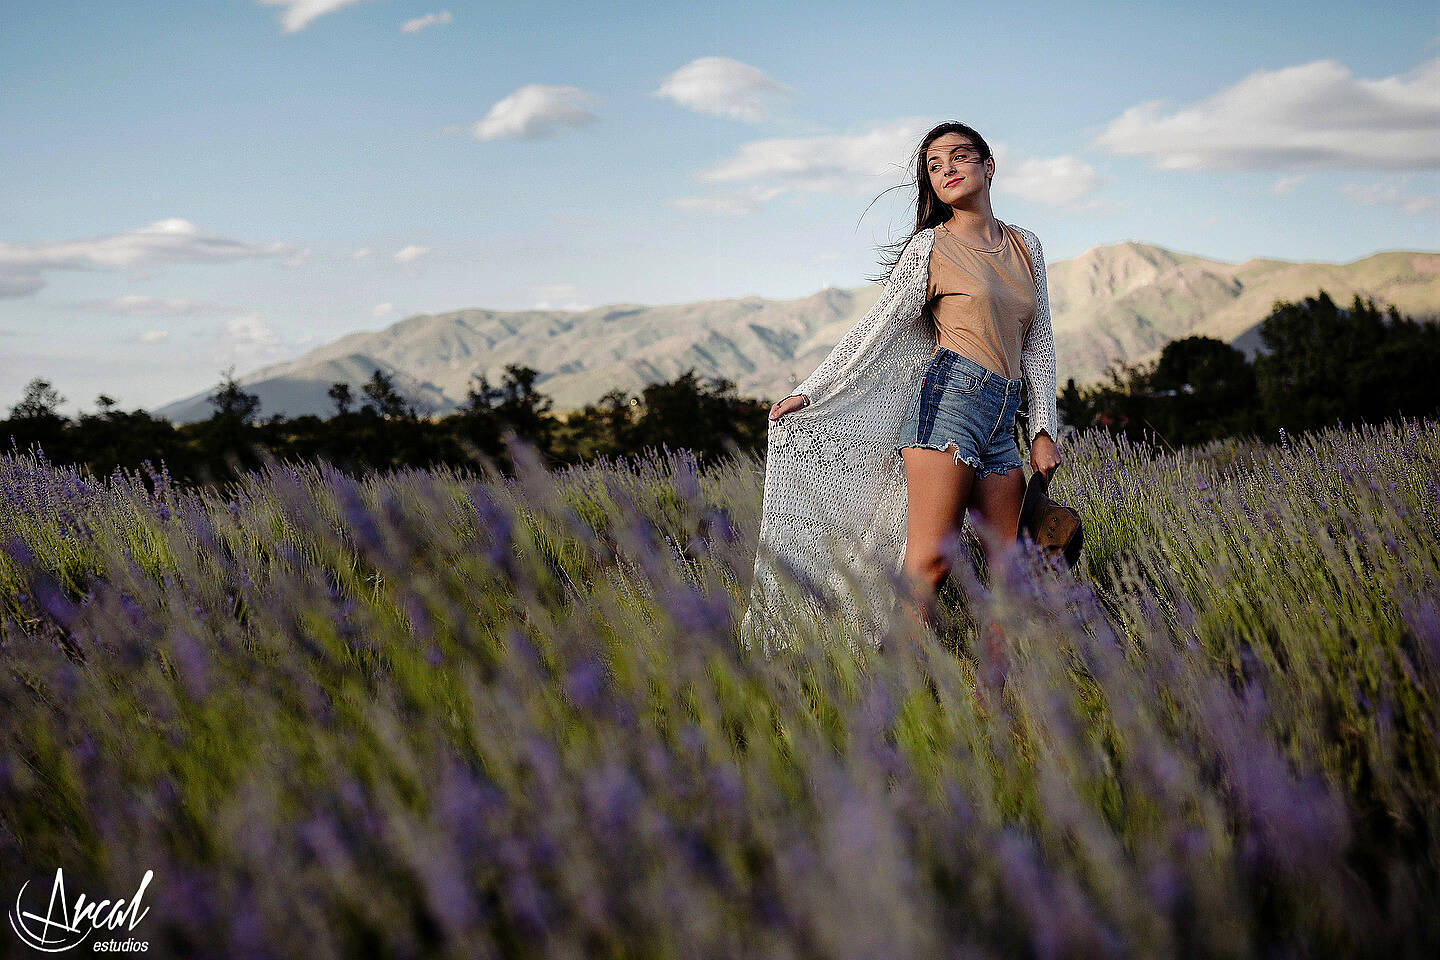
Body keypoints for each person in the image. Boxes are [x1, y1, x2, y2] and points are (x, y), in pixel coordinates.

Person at [740, 121, 1061, 651]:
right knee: (930, 563)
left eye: (959, 157)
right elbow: (878, 326)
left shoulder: (1028, 246)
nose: (947, 170)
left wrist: (1043, 429)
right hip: (948, 405)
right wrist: (814, 391)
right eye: (934, 166)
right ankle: (895, 696)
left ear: (989, 165)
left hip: (1006, 417)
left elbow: (1039, 340)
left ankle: (994, 702)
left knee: (1012, 572)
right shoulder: (930, 246)